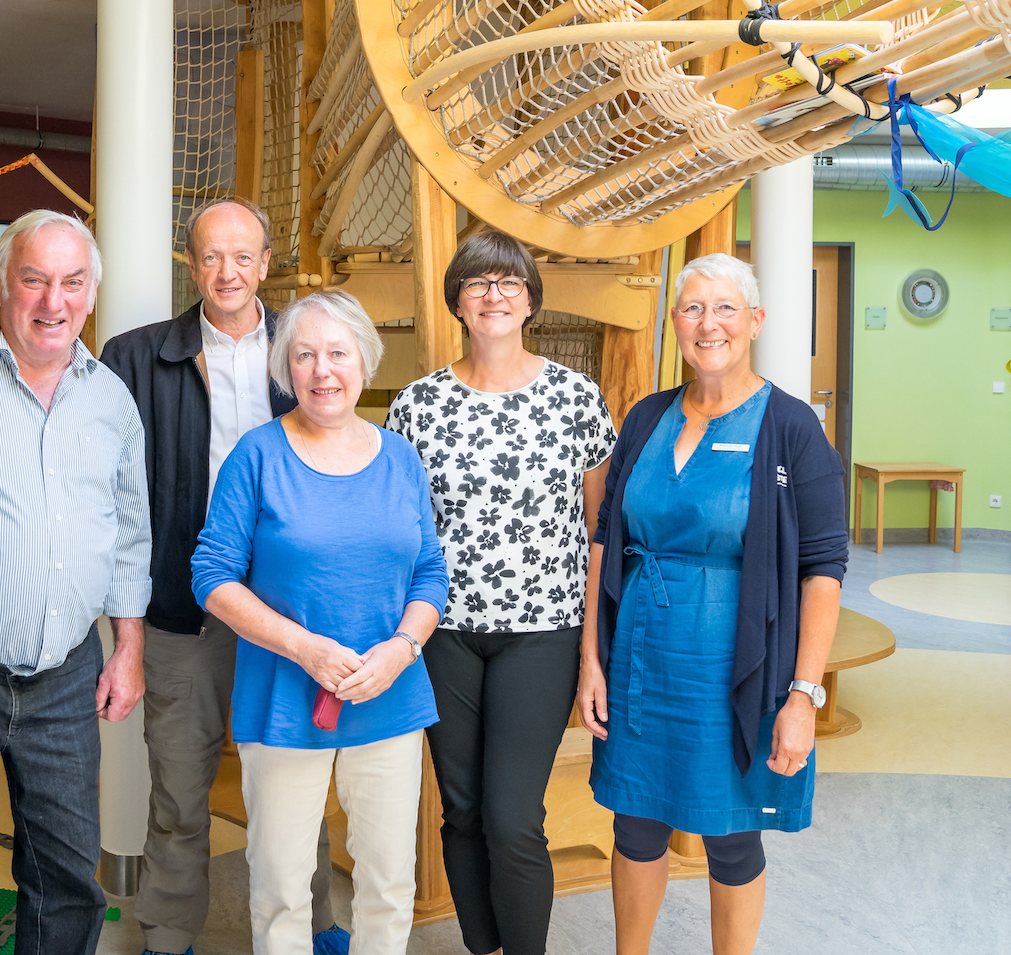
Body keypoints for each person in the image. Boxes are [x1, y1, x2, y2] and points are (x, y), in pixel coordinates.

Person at [0, 199, 346, 955]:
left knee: (296, 794)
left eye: (244, 256)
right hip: (183, 608)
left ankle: (319, 928)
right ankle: (168, 936)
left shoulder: (305, 348)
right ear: (190, 264)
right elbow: (119, 492)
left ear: (264, 264)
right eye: (211, 256)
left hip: (290, 613)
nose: (228, 272)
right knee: (180, 793)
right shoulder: (133, 355)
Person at [576, 253, 846, 954]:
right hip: (640, 658)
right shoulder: (645, 418)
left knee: (730, 833)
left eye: (725, 308)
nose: (708, 323)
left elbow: (823, 569)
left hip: (738, 667)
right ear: (676, 325)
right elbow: (606, 536)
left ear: (754, 322)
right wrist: (591, 660)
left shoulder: (790, 427)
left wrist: (803, 697)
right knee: (633, 824)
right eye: (693, 308)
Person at [0, 210, 152, 955]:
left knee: (70, 875)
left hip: (67, 676)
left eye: (73, 283)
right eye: (35, 280)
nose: (53, 301)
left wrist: (127, 649)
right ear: (0, 284)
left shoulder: (109, 399)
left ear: (91, 293)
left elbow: (128, 531)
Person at [191, 290, 449, 955]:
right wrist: (304, 648)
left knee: (389, 885)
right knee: (281, 888)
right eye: (304, 355)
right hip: (283, 697)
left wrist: (401, 648)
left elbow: (429, 574)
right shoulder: (257, 455)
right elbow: (212, 575)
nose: (322, 370)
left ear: (364, 360)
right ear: (286, 370)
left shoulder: (400, 458)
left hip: (388, 696)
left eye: (337, 353)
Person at [384, 230, 616, 955]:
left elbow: (598, 530)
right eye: (479, 283)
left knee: (513, 816)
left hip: (543, 632)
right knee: (461, 811)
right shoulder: (418, 406)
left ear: (530, 301)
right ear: (457, 299)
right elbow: (401, 527)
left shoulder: (573, 398)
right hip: (443, 632)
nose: (494, 295)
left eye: (509, 283)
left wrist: (591, 653)